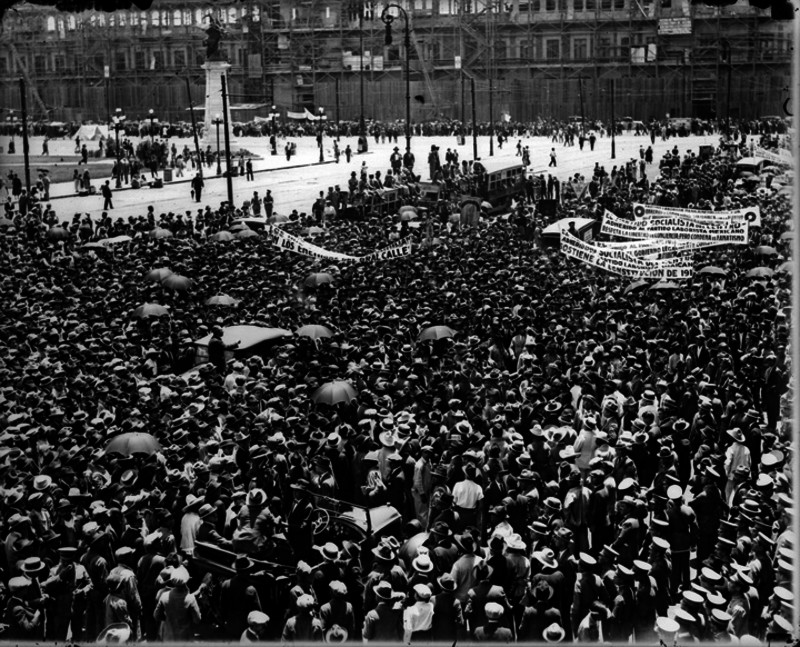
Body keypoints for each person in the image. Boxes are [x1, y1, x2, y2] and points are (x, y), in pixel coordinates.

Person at [153, 566, 202, 642]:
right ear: (186, 581)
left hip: (168, 637)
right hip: (185, 638)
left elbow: (156, 616)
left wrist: (168, 618)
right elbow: (197, 620)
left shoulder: (164, 596)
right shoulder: (191, 599)